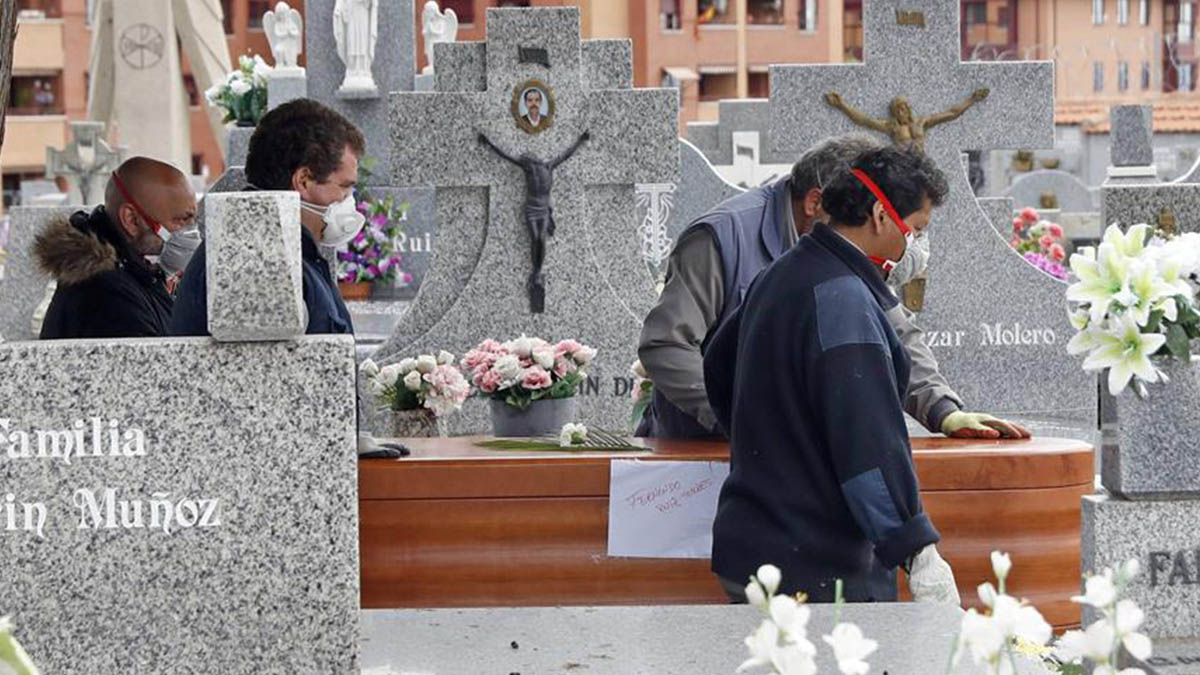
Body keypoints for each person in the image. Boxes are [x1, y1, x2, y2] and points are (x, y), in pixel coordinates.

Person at [637, 134, 1030, 442]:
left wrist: (943, 410)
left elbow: (894, 331)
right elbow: (667, 345)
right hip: (702, 453)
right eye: (854, 202)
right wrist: (740, 417)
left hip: (793, 460)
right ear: (816, 202)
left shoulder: (846, 241)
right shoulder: (721, 239)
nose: (865, 216)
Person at [705, 146, 960, 604]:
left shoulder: (780, 274)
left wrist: (774, 448)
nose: (916, 247)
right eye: (916, 230)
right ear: (882, 216)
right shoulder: (844, 300)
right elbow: (867, 441)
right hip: (821, 567)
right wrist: (915, 548)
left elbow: (718, 367)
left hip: (752, 543)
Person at [170, 98, 364, 337]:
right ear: (304, 180)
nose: (349, 200)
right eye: (344, 187)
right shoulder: (255, 256)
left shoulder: (289, 248)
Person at [35, 157, 199, 339]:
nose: (192, 232)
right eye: (182, 220)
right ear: (131, 220)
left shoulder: (136, 272)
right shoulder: (107, 297)